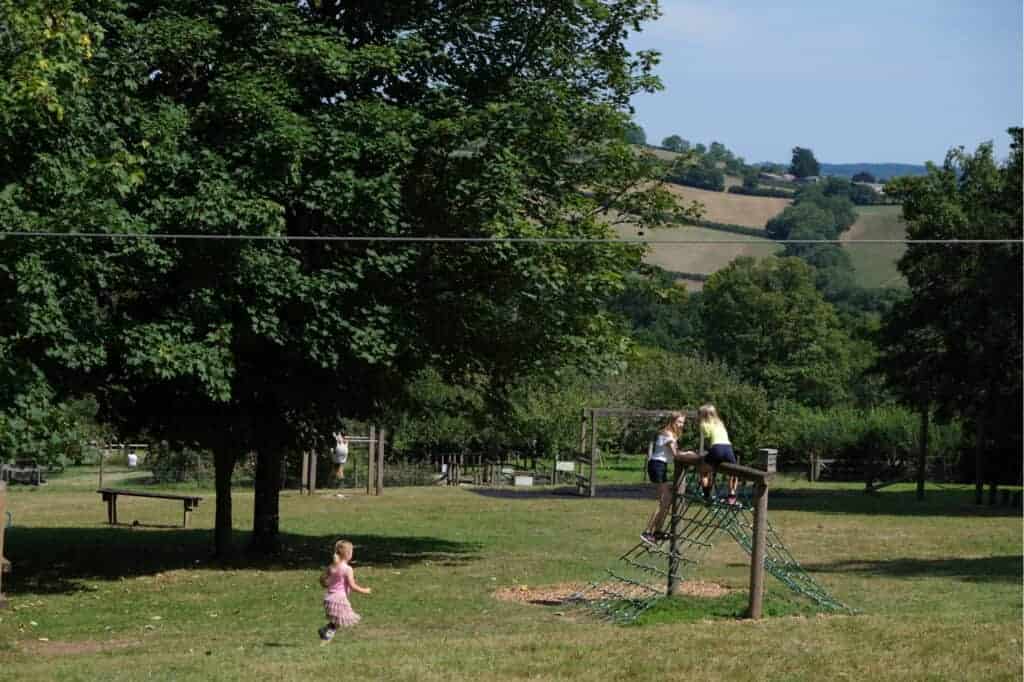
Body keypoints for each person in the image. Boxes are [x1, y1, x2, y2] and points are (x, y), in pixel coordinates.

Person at [641, 412, 697, 545]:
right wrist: (688, 454)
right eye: (678, 422)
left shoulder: (672, 434)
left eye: (683, 422)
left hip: (661, 465)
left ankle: (657, 531)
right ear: (672, 421)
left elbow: (676, 453)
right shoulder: (667, 433)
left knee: (666, 502)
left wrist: (686, 453)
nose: (681, 425)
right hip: (657, 465)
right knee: (663, 502)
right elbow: (675, 454)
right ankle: (648, 532)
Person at [318, 539, 371, 644]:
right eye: (351, 552)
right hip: (339, 599)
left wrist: (326, 584)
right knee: (341, 619)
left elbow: (322, 579)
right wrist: (365, 590)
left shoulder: (332, 567)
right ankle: (325, 639)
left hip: (329, 598)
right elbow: (352, 585)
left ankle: (325, 631)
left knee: (337, 621)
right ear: (347, 554)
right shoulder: (347, 569)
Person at [697, 404, 739, 505]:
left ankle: (707, 495)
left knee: (704, 471)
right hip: (728, 448)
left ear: (703, 415)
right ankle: (731, 496)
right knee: (733, 473)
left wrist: (705, 453)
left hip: (716, 448)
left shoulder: (704, 424)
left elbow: (707, 438)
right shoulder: (720, 423)